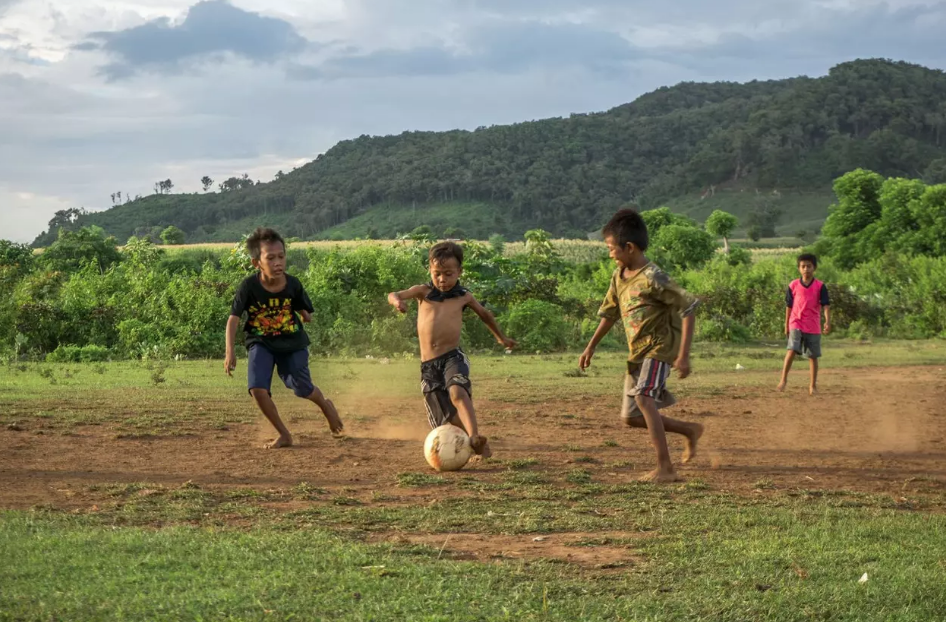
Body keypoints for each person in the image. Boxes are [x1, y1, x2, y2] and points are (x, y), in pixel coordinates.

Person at [579, 208, 704, 483]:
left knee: (644, 398)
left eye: (612, 248)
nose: (610, 253)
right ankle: (689, 430)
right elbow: (609, 314)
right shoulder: (618, 276)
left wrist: (683, 355)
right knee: (632, 417)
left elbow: (690, 306)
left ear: (630, 247)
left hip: (660, 348)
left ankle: (665, 468)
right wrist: (590, 347)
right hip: (638, 353)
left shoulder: (653, 277)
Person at [387, 241, 516, 459]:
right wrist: (398, 303)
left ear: (459, 271)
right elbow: (393, 294)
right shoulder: (423, 292)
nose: (442, 280)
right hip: (429, 366)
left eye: (448, 274)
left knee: (457, 392)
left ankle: (475, 436)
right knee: (448, 419)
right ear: (430, 270)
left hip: (452, 357)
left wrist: (501, 338)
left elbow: (485, 315)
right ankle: (475, 444)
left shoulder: (463, 296)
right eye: (437, 273)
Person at [225, 227, 343, 448]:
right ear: (256, 263)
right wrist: (230, 351)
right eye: (270, 258)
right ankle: (284, 434)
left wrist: (305, 315)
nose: (278, 262)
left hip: (293, 343)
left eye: (281, 256)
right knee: (257, 389)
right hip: (261, 342)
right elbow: (233, 319)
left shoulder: (293, 284)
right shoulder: (249, 286)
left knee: (302, 388)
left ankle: (326, 406)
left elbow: (304, 311)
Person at [777, 253, 831, 395]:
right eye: (803, 266)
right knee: (792, 350)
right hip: (796, 322)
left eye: (809, 266)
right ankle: (783, 380)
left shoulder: (820, 286)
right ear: (799, 268)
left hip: (813, 325)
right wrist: (786, 324)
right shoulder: (793, 285)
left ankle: (812, 386)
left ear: (814, 268)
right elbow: (789, 306)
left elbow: (826, 305)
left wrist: (827, 321)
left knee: (812, 356)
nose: (806, 269)